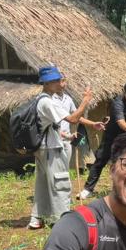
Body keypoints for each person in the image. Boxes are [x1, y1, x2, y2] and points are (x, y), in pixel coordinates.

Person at [28, 66, 93, 230]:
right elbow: (73, 119)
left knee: (43, 184)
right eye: (56, 81)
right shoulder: (47, 102)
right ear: (47, 83)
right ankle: (62, 221)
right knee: (60, 183)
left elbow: (51, 127)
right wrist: (85, 101)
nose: (60, 83)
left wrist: (67, 136)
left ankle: (37, 218)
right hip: (51, 149)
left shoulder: (41, 99)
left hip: (43, 148)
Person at [78, 80, 126, 200]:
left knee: (125, 163)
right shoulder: (118, 103)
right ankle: (87, 189)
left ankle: (122, 188)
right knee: (100, 161)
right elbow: (121, 122)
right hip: (111, 138)